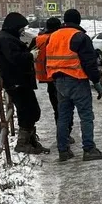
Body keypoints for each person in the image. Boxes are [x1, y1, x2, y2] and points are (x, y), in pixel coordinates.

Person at [46, 9, 102, 162]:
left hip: (58, 82)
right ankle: (89, 149)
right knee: (86, 116)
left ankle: (63, 151)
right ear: (78, 21)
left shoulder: (53, 36)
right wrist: (96, 82)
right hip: (77, 81)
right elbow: (89, 63)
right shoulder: (80, 37)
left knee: (63, 117)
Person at [0, 12, 50, 154]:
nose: (23, 31)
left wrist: (29, 52)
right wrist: (30, 55)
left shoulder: (8, 37)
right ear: (14, 26)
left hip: (20, 81)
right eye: (21, 28)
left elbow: (16, 55)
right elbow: (15, 58)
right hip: (16, 82)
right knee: (27, 111)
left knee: (32, 111)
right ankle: (23, 143)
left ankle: (30, 140)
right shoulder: (5, 39)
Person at [32, 17, 74, 145]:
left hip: (48, 78)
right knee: (66, 108)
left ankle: (61, 133)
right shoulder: (59, 38)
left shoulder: (38, 39)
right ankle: (65, 134)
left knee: (57, 108)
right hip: (62, 77)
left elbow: (30, 55)